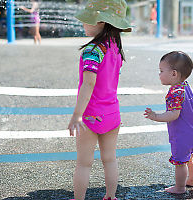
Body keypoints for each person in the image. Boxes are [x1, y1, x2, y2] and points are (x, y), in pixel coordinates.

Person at [67, 0, 131, 200]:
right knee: (110, 160)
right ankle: (111, 196)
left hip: (91, 114)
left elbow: (89, 84)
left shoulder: (93, 50)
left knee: (84, 163)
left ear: (102, 22)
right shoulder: (115, 49)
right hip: (112, 114)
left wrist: (77, 115)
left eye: (88, 20)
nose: (83, 24)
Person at [144, 51, 193, 194]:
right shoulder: (187, 87)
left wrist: (155, 116)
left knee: (180, 163)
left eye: (161, 71)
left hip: (182, 136)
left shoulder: (175, 92)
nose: (159, 74)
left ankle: (180, 188)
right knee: (192, 157)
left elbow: (173, 114)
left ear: (174, 74)